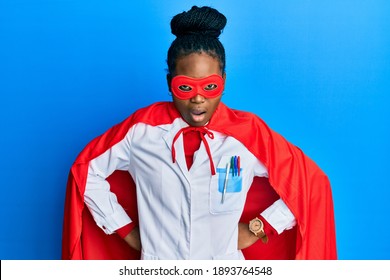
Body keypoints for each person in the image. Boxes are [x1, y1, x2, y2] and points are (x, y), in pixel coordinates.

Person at [62, 5, 337, 260]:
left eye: (209, 87)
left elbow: (309, 186)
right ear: (170, 83)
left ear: (224, 82)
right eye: (185, 87)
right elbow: (86, 171)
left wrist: (260, 227)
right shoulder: (141, 132)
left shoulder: (247, 135)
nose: (197, 99)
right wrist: (124, 229)